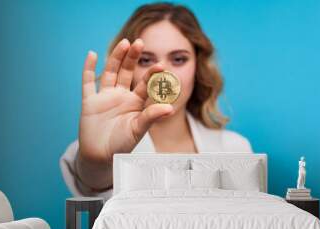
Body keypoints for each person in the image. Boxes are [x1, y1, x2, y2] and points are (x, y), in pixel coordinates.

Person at [59, 3, 253, 202]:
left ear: (198, 67)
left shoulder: (235, 149)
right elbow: (92, 181)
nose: (163, 73)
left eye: (178, 59)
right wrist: (98, 162)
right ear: (129, 68)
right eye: (145, 60)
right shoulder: (95, 147)